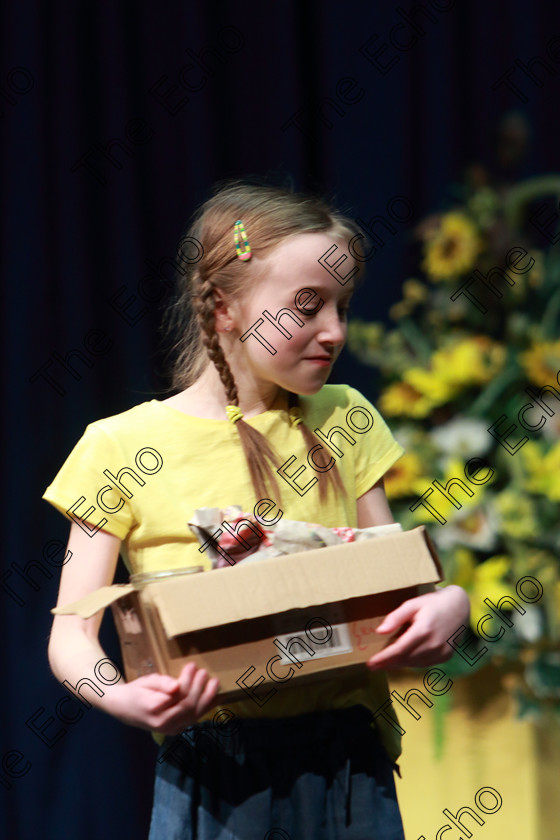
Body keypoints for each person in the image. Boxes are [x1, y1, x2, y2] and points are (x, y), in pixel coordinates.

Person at [44, 179, 470, 840]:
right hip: (220, 778)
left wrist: (450, 605)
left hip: (348, 764)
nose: (334, 331)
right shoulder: (119, 446)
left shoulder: (347, 416)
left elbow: (397, 582)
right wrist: (123, 697)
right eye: (306, 305)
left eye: (341, 304)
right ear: (224, 309)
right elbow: (70, 632)